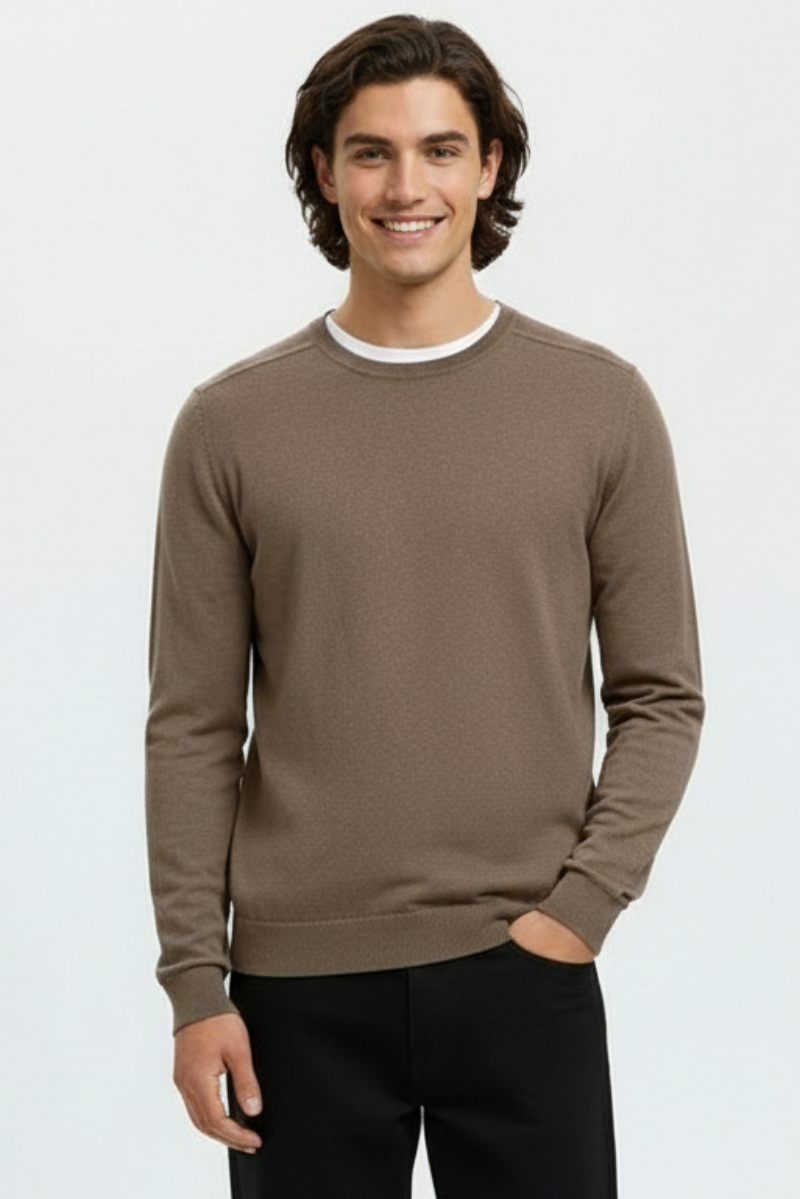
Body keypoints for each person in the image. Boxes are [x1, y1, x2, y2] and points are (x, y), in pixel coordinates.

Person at [144, 14, 706, 1198]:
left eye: (440, 149)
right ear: (322, 172)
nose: (407, 187)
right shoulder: (230, 425)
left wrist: (578, 911)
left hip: (524, 967)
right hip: (294, 991)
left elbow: (660, 694)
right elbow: (191, 723)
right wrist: (195, 985)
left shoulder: (597, 405)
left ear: (488, 166)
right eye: (371, 152)